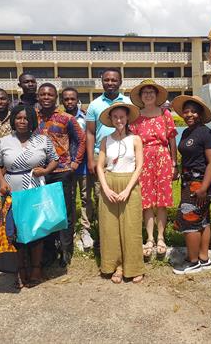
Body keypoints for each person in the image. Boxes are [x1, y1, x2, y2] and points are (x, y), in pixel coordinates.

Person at [0, 105, 59, 288]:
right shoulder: (4, 142)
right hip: (13, 190)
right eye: (18, 118)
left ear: (32, 121)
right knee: (16, 232)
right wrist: (1, 182)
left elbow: (55, 159)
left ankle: (36, 269)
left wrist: (45, 170)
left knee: (37, 230)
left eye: (26, 118)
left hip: (35, 189)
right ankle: (20, 270)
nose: (22, 121)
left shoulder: (42, 140)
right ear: (13, 120)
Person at [35, 83, 86, 267]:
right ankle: (49, 249)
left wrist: (75, 163)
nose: (46, 97)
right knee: (45, 210)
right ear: (38, 97)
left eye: (49, 94)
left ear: (55, 97)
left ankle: (66, 249)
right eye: (43, 94)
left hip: (62, 172)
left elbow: (81, 140)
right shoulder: (32, 117)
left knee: (65, 211)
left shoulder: (67, 118)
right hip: (40, 173)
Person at [96, 102, 145, 283]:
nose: (118, 120)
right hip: (109, 183)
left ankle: (133, 267)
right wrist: (106, 188)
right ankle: (115, 265)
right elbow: (100, 167)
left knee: (131, 227)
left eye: (122, 117)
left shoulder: (135, 139)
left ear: (127, 118)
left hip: (129, 185)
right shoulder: (105, 140)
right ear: (111, 119)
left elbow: (139, 166)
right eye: (115, 117)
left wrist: (127, 189)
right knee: (110, 228)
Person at [129, 79, 178, 260]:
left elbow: (172, 139)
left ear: (157, 95)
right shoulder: (136, 117)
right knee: (146, 200)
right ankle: (149, 238)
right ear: (140, 97)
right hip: (143, 158)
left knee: (162, 201)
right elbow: (133, 142)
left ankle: (161, 237)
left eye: (151, 91)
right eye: (145, 92)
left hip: (162, 157)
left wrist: (174, 163)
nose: (148, 94)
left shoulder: (165, 114)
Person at [171, 95, 211, 275]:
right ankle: (203, 258)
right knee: (203, 220)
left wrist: (203, 188)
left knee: (189, 219)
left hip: (201, 183)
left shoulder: (205, 133)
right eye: (186, 111)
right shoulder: (187, 132)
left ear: (200, 113)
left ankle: (193, 262)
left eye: (193, 111)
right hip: (190, 181)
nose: (189, 114)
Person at [85, 68, 130, 244]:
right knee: (102, 196)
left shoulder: (127, 102)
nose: (110, 83)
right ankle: (105, 237)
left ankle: (124, 235)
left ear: (120, 82)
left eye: (114, 80)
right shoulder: (94, 105)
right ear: (101, 81)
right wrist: (90, 159)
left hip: (125, 155)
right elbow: (89, 133)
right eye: (107, 80)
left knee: (124, 195)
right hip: (100, 155)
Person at [61, 87, 94, 251]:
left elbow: (89, 139)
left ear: (77, 100)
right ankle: (71, 229)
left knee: (86, 198)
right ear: (62, 101)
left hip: (83, 166)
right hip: (65, 167)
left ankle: (85, 229)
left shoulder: (86, 117)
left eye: (72, 99)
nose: (69, 102)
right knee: (69, 199)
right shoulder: (59, 119)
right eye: (66, 99)